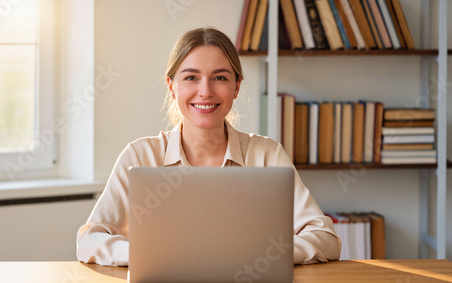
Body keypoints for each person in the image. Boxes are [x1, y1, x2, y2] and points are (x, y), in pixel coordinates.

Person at [76, 27, 341, 266]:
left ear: (237, 87)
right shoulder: (140, 156)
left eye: (220, 78)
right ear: (172, 86)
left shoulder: (267, 154)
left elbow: (325, 238)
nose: (205, 92)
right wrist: (150, 255)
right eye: (191, 78)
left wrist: (263, 255)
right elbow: (89, 241)